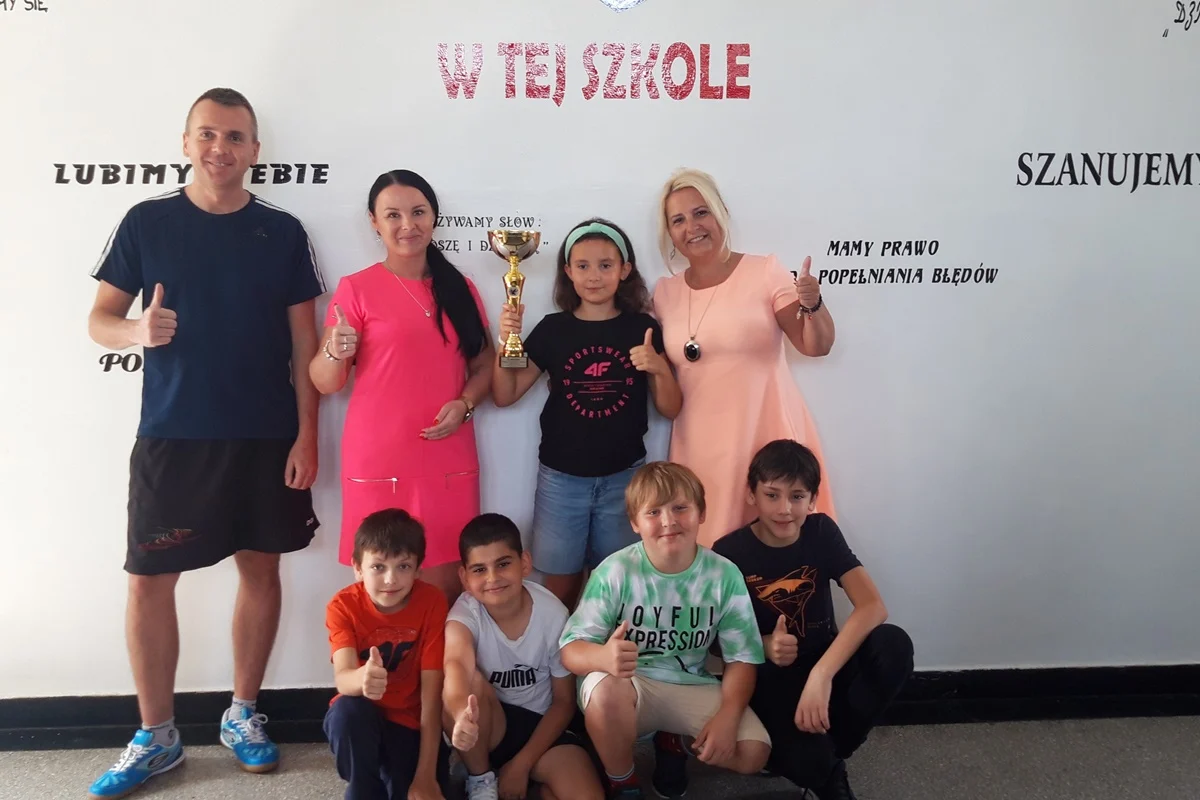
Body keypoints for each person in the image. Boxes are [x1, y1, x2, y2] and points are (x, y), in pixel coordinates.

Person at [85, 88, 323, 799]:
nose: (222, 148)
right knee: (148, 580)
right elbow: (99, 319)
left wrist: (308, 435)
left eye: (236, 136)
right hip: (174, 433)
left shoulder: (282, 231)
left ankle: (243, 713)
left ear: (256, 150)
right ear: (186, 143)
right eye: (209, 134)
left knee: (261, 571)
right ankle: (156, 735)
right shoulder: (147, 221)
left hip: (265, 434)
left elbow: (304, 343)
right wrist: (136, 331)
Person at [309, 169, 494, 602]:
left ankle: (442, 653)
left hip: (447, 450)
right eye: (393, 215)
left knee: (446, 586)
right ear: (374, 222)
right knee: (383, 590)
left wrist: (465, 403)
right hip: (379, 455)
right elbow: (326, 381)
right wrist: (334, 350)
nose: (407, 225)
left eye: (418, 212)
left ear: (434, 217)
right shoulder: (356, 289)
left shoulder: (461, 288)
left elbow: (485, 363)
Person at [492, 217, 682, 607]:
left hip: (625, 478)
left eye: (605, 265)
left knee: (615, 587)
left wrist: (659, 368)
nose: (594, 276)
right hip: (561, 481)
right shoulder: (552, 330)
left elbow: (671, 407)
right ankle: (560, 649)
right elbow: (505, 394)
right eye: (583, 265)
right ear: (568, 271)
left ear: (624, 270)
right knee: (559, 587)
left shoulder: (643, 328)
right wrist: (505, 341)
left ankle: (603, 650)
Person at [711, 440, 914, 800]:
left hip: (825, 662)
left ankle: (829, 754)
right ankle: (824, 765)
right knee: (810, 765)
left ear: (812, 499)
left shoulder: (821, 531)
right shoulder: (729, 552)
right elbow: (712, 639)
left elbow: (872, 607)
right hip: (768, 678)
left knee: (892, 643)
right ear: (751, 495)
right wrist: (762, 644)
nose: (784, 509)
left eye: (797, 496)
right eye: (772, 495)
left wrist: (821, 675)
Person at [559, 461, 771, 800]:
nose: (669, 521)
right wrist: (602, 657)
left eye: (680, 508)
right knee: (606, 693)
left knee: (753, 753)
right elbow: (570, 651)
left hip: (689, 683)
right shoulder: (615, 571)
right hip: (629, 685)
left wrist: (729, 716)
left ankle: (677, 741)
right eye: (653, 512)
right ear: (635, 523)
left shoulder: (724, 575)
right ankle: (623, 780)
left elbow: (742, 658)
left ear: (701, 513)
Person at [651, 167, 837, 547]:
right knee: (709, 549)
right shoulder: (664, 292)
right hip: (699, 445)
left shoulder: (764, 271)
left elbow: (814, 346)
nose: (692, 227)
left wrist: (813, 302)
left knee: (780, 551)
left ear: (721, 213)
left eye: (701, 212)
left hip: (765, 432)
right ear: (668, 232)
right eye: (678, 220)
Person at [442, 513, 604, 800]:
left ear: (524, 563)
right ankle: (481, 780)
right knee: (471, 685)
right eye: (479, 569)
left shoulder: (553, 615)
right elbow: (456, 665)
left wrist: (522, 764)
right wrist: (459, 714)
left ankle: (531, 783)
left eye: (503, 564)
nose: (493, 578)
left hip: (541, 728)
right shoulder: (465, 613)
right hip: (489, 726)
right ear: (464, 577)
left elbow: (564, 702)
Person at [323, 509, 450, 800]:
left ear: (418, 569)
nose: (391, 579)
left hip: (410, 724)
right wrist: (362, 679)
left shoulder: (432, 601)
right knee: (347, 713)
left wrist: (425, 776)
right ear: (358, 568)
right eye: (378, 567)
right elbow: (343, 679)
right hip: (363, 719)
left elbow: (432, 695)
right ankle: (362, 785)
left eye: (403, 566)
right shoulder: (342, 606)